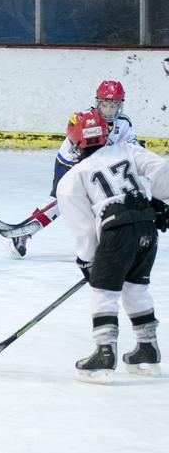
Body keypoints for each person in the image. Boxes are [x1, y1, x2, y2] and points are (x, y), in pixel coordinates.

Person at [56, 108, 169, 384]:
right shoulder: (126, 149)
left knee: (104, 290)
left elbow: (84, 228)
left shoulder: (73, 177)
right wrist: (161, 201)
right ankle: (147, 349)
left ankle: (104, 353)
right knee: (136, 286)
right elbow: (162, 168)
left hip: (117, 230)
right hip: (146, 225)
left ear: (75, 141)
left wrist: (88, 261)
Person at [7, 80, 141, 258]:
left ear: (120, 105)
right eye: (105, 105)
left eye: (113, 105)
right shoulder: (86, 119)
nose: (109, 110)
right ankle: (24, 232)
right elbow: (80, 150)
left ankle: (110, 240)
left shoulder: (123, 123)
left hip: (97, 165)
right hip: (70, 162)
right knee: (59, 202)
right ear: (98, 103)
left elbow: (132, 144)